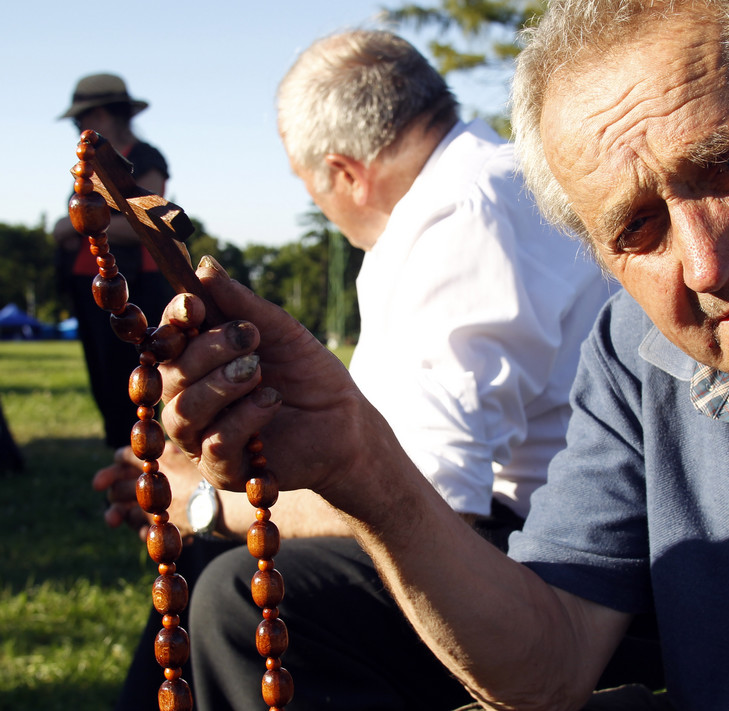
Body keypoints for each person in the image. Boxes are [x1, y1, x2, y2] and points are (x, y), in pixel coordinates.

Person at [147, 0, 729, 707]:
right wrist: (358, 465)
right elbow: (550, 663)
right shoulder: (634, 346)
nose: (709, 265)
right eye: (637, 229)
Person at [96, 30, 619, 710]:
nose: (320, 203)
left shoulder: (459, 216)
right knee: (204, 566)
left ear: (344, 171)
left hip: (535, 557)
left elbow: (435, 493)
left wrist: (201, 503)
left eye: (308, 183)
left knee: (237, 596)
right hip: (536, 527)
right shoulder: (488, 181)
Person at [53, 73, 174, 448]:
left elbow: (149, 222)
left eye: (80, 119)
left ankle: (141, 456)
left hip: (136, 285)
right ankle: (119, 453)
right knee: (104, 378)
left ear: (102, 116)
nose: (76, 127)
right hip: (91, 284)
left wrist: (80, 225)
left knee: (134, 378)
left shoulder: (145, 158)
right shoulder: (88, 166)